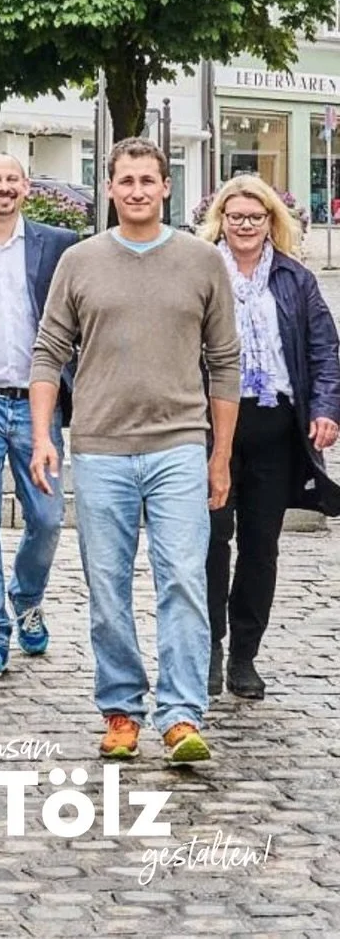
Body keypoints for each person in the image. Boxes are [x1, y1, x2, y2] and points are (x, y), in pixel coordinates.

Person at [30, 138, 240, 764]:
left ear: (166, 186)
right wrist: (44, 435)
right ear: (111, 188)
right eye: (127, 181)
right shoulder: (80, 261)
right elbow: (47, 353)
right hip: (99, 448)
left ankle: (180, 716)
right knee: (108, 586)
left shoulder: (202, 262)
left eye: (149, 180)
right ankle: (121, 708)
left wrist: (220, 455)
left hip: (179, 443)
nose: (139, 190)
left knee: (182, 579)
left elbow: (225, 364)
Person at [196, 175, 340, 700]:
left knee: (261, 546)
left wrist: (325, 409)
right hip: (213, 425)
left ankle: (244, 657)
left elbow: (325, 350)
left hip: (275, 424)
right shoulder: (203, 269)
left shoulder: (295, 279)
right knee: (211, 541)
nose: (245, 225)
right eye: (235, 216)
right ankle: (208, 648)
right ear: (221, 221)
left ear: (271, 221)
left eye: (255, 216)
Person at [0, 155, 80, 679]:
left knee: (48, 518)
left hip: (37, 405)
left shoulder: (57, 245)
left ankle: (26, 597)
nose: (3, 188)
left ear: (27, 187)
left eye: (12, 179)